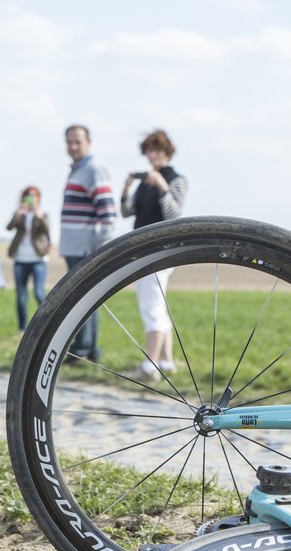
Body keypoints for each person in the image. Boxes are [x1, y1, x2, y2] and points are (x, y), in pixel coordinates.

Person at [120, 129, 188, 380]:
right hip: (142, 249)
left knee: (151, 308)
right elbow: (127, 212)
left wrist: (161, 187)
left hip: (161, 251)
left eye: (158, 150)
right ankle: (167, 362)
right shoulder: (143, 182)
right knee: (159, 306)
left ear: (167, 152)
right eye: (149, 150)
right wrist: (126, 189)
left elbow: (174, 215)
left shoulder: (176, 180)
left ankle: (150, 368)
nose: (153, 155)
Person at [60, 124, 116, 363]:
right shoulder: (76, 170)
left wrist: (99, 248)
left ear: (89, 143)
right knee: (81, 297)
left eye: (78, 142)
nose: (73, 146)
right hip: (74, 246)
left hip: (86, 247)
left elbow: (108, 214)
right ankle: (88, 348)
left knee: (82, 298)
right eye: (69, 142)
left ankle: (84, 349)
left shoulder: (93, 169)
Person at [6, 186, 51, 332]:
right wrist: (18, 214)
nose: (31, 198)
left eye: (34, 196)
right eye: (28, 196)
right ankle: (22, 328)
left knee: (39, 292)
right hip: (20, 259)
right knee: (21, 296)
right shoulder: (20, 214)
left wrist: (37, 214)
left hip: (38, 259)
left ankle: (47, 323)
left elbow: (46, 229)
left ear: (39, 198)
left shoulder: (43, 214)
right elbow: (9, 227)